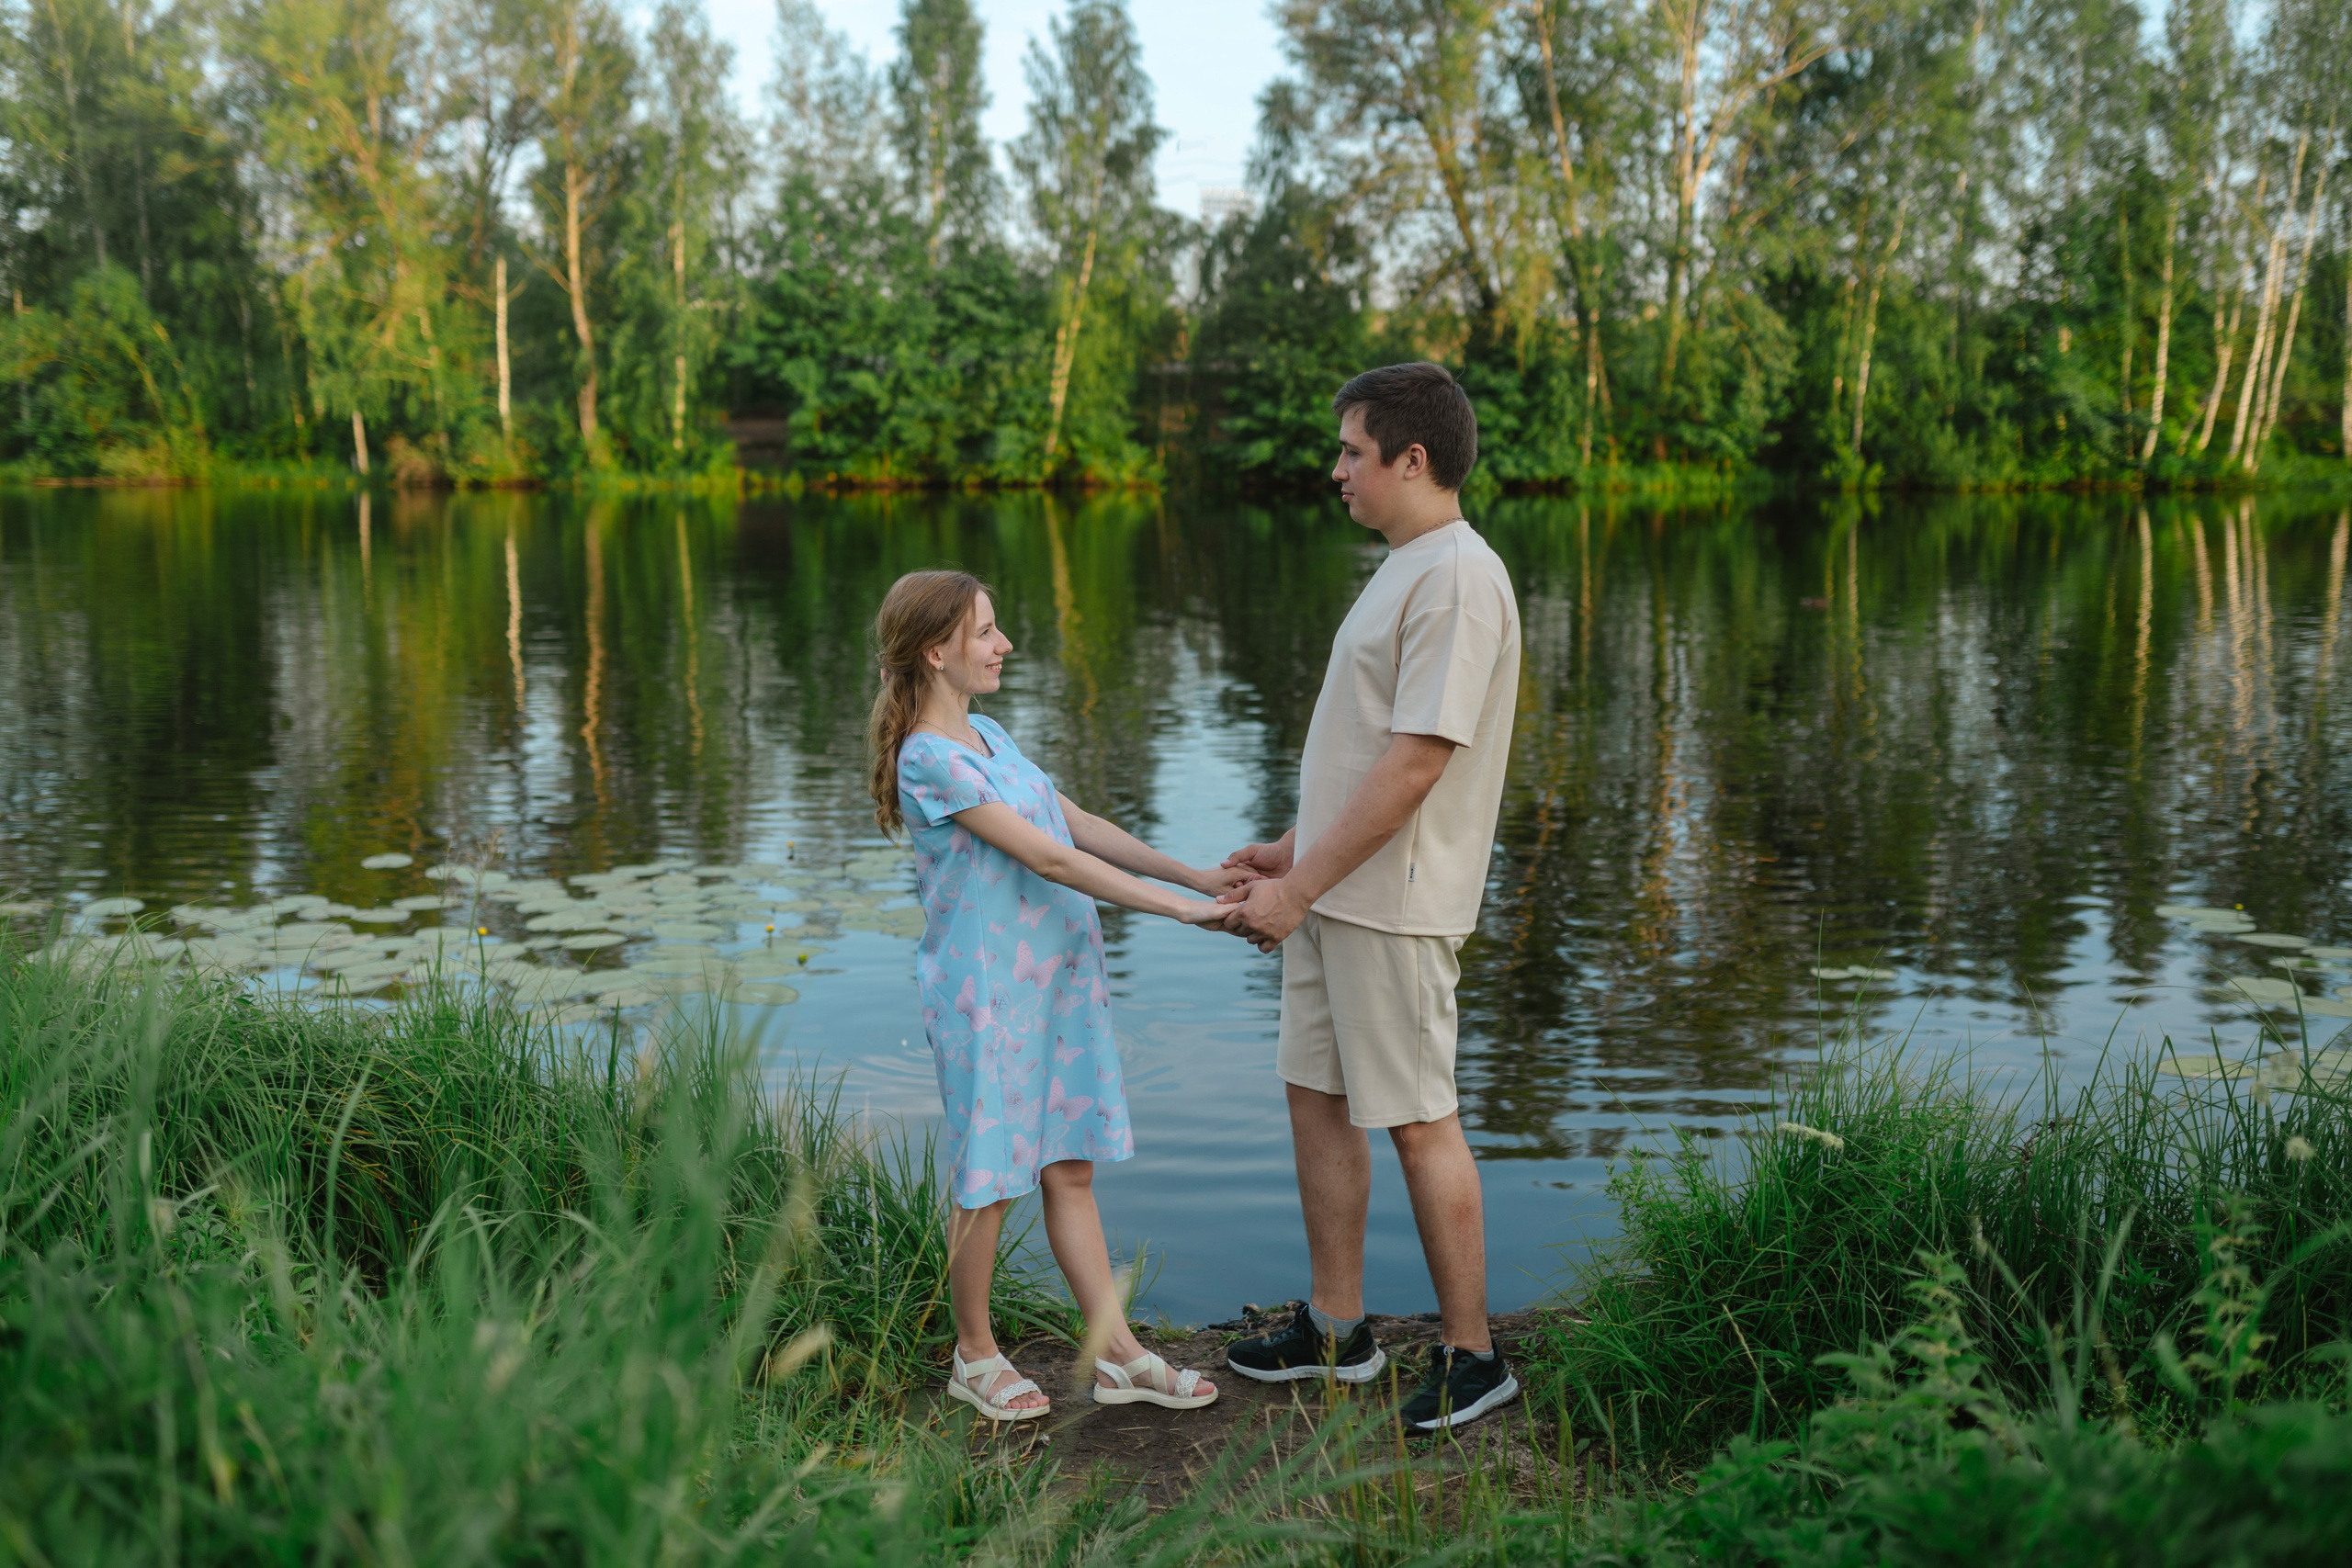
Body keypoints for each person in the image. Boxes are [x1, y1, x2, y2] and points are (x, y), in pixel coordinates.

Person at [1216, 363, 1524, 1431]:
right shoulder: (1403, 566)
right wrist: (1290, 851)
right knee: (1318, 1094)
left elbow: (1416, 764)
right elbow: (1366, 750)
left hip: (1391, 903)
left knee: (1419, 1121)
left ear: (1413, 460)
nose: (1335, 469)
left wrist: (1297, 887)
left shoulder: (1456, 578)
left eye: (1352, 450)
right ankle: (1337, 1331)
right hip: (1337, 889)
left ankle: (1475, 1356)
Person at [867, 569, 1242, 1423]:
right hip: (991, 998)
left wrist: (1193, 871)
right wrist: (1185, 913)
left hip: (1061, 992)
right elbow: (1050, 859)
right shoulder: (928, 757)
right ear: (937, 650)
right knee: (988, 1179)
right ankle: (975, 1354)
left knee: (1068, 1167)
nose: (1004, 645)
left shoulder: (990, 734)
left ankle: (1118, 1353)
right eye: (987, 631)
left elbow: (1075, 825)